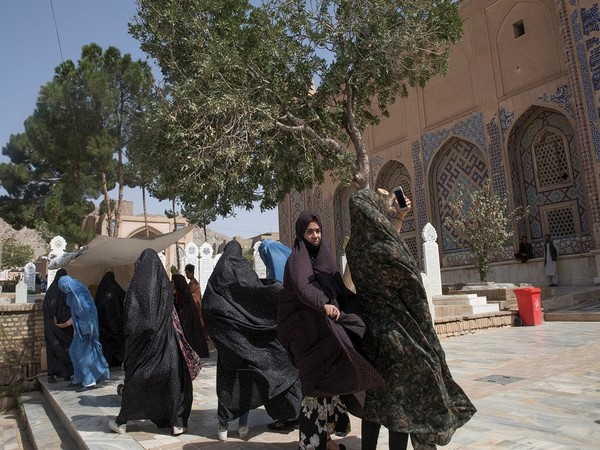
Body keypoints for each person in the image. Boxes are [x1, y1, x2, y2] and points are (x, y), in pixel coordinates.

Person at [346, 188, 476, 450]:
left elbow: (348, 284)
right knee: (401, 406)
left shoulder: (354, 249)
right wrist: (426, 332)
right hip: (400, 335)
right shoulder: (387, 249)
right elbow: (414, 288)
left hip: (372, 336)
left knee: (375, 400)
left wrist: (399, 218)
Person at [278, 211, 384, 450]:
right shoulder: (297, 258)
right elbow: (303, 287)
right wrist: (322, 303)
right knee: (313, 388)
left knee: (327, 386)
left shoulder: (324, 257)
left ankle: (325, 440)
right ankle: (312, 443)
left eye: (317, 231)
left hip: (325, 334)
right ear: (300, 234)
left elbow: (338, 286)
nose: (315, 236)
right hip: (305, 334)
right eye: (309, 232)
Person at [203, 240, 302, 441]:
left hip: (229, 347)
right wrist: (278, 289)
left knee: (228, 385)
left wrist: (225, 334)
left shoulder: (216, 280)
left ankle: (222, 427)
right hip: (248, 346)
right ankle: (242, 427)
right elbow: (258, 292)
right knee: (247, 384)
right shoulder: (244, 270)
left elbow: (208, 307)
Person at [109, 249, 198, 436]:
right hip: (167, 344)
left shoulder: (136, 288)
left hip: (143, 346)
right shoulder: (165, 285)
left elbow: (131, 320)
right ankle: (177, 423)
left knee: (136, 381)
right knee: (173, 382)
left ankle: (122, 422)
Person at [56, 275, 110, 392]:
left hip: (86, 331)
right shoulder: (75, 293)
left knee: (83, 356)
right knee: (73, 352)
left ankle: (89, 381)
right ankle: (79, 379)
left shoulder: (80, 295)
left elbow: (88, 313)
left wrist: (88, 330)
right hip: (80, 331)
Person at [42, 269, 73, 383]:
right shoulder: (66, 290)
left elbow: (46, 308)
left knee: (55, 349)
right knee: (64, 348)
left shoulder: (51, 291)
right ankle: (64, 374)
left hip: (55, 327)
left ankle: (56, 374)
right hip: (63, 327)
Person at [172, 273, 210, 358]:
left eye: (173, 282)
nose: (172, 284)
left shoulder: (184, 294)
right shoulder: (180, 293)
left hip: (186, 322)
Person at [94, 271, 125, 367]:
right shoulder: (115, 289)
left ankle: (108, 362)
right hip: (116, 323)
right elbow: (124, 299)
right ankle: (119, 360)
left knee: (107, 344)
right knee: (118, 342)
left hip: (103, 324)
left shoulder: (100, 291)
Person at [185, 263, 210, 342]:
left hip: (196, 307)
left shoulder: (194, 284)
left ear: (192, 272)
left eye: (187, 273)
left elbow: (191, 296)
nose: (186, 275)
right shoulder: (192, 283)